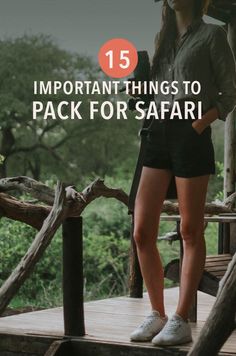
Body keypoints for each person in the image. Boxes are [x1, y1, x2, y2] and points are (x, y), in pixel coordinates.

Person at [129, 0, 236, 346]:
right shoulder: (162, 38)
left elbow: (230, 90)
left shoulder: (212, 35)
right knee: (142, 230)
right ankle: (156, 314)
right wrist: (138, 91)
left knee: (190, 229)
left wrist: (201, 122)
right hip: (156, 132)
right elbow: (156, 92)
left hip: (191, 134)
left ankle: (180, 320)